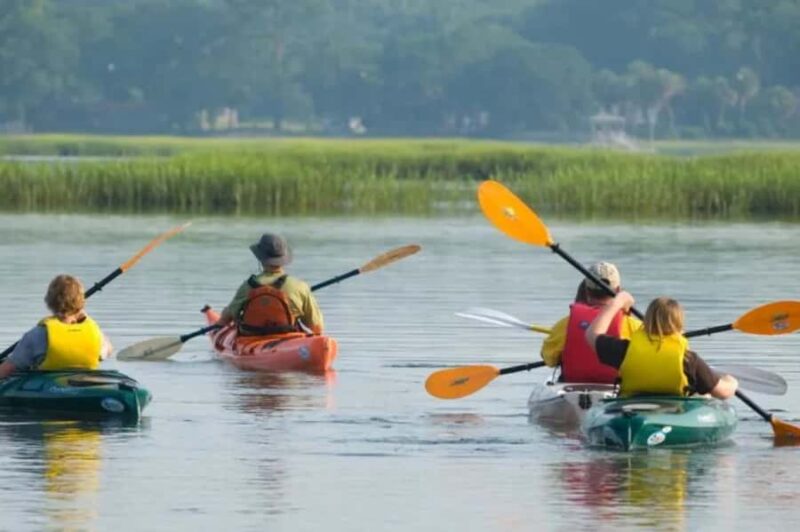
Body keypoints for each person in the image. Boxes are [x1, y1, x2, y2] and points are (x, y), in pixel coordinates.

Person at [585, 291, 738, 399]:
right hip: (675, 413)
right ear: (679, 324)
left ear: (646, 321)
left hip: (630, 410)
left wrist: (617, 302)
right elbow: (724, 393)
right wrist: (731, 381)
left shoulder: (625, 351)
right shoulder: (689, 361)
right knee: (704, 396)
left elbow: (591, 334)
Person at [540, 262, 642, 383]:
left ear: (586, 290)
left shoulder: (564, 325)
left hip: (572, 391)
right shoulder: (635, 326)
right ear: (618, 290)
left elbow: (549, 359)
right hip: (615, 392)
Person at [0, 275, 113, 379]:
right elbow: (108, 350)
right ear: (81, 303)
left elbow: (7, 369)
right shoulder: (95, 333)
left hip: (47, 390)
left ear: (49, 302)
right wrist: (86, 318)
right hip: (87, 387)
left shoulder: (37, 334)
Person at [216, 233, 324, 336]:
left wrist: (220, 323)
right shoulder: (300, 287)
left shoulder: (248, 286)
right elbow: (316, 327)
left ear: (261, 258)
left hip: (251, 339)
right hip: (287, 338)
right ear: (284, 259)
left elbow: (226, 319)